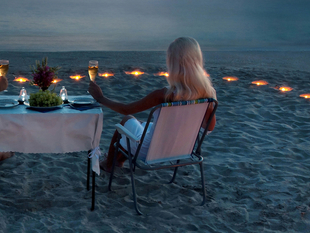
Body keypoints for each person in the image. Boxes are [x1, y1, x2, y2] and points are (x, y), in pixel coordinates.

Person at [87, 37, 217, 170]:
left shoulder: (164, 95)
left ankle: (110, 164)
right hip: (182, 150)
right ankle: (117, 161)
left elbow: (126, 109)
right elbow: (209, 129)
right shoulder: (208, 97)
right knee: (145, 126)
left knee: (127, 120)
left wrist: (101, 98)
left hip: (151, 151)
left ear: (173, 63)